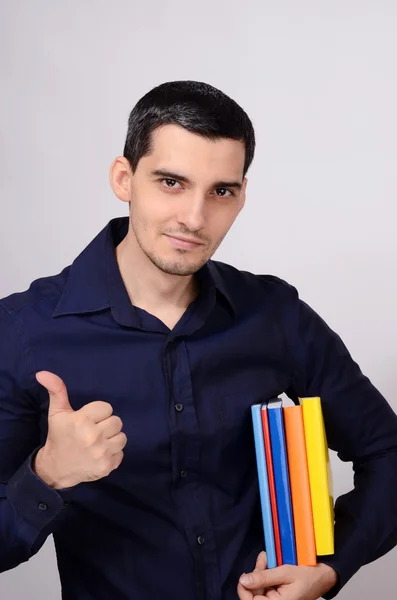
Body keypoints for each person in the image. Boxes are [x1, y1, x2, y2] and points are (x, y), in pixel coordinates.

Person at [0, 80, 396, 600]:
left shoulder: (275, 315)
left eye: (221, 192)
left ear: (241, 196)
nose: (194, 217)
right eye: (171, 182)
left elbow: (388, 453)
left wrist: (329, 569)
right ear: (125, 178)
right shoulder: (23, 330)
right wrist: (47, 475)